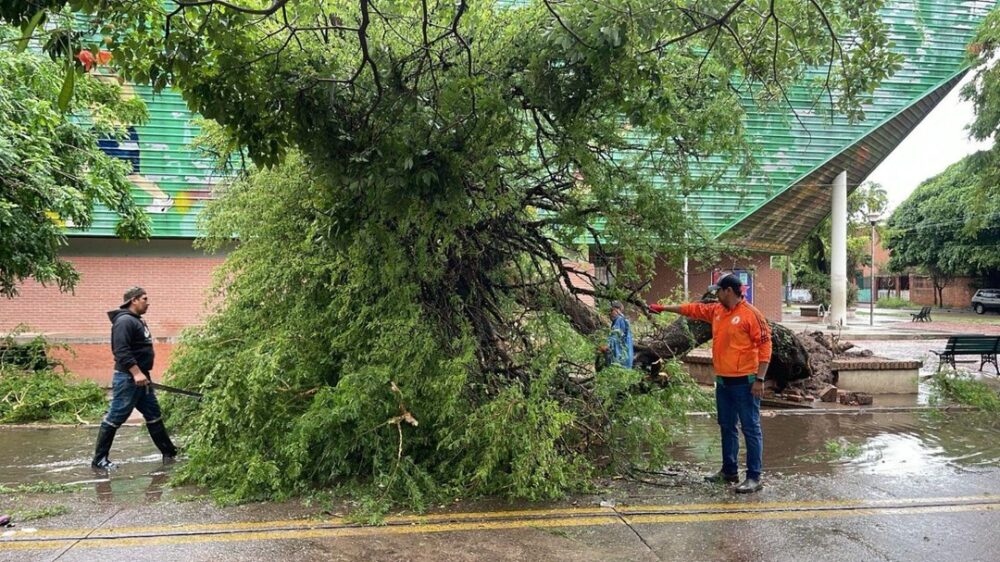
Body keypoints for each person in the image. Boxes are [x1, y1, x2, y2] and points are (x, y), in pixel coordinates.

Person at [648, 275, 771, 493]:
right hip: (723, 382)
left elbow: (765, 347)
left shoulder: (751, 315)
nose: (716, 294)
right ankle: (729, 471)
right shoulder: (717, 311)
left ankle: (754, 477)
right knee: (726, 426)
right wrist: (663, 308)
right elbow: (692, 309)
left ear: (729, 291)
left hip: (746, 382)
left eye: (719, 291)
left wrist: (760, 379)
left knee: (751, 429)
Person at [92, 287, 178, 471]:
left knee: (154, 415)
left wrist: (142, 374)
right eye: (145, 298)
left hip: (141, 377)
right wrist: (136, 372)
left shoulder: (137, 320)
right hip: (128, 378)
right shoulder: (123, 321)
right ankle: (99, 460)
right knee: (116, 416)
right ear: (134, 300)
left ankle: (169, 452)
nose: (148, 302)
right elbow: (121, 351)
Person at [599, 300, 634, 368]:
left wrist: (606, 345)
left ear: (617, 310)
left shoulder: (619, 320)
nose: (609, 313)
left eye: (611, 310)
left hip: (621, 360)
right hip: (625, 360)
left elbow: (615, 337)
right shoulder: (622, 320)